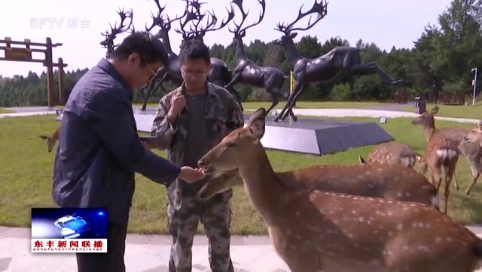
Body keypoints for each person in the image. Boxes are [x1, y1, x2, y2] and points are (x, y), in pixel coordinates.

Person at [52, 31, 206, 272]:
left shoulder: (96, 79)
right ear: (134, 59)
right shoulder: (107, 91)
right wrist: (179, 172)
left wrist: (133, 142)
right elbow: (131, 154)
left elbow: (110, 141)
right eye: (151, 73)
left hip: (84, 196)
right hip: (93, 202)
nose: (149, 81)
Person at [150, 39, 244, 272]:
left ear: (209, 68)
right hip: (182, 192)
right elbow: (158, 142)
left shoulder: (225, 99)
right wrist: (172, 114)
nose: (193, 77)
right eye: (188, 71)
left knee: (221, 253)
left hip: (217, 189)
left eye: (200, 72)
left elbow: (240, 140)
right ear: (180, 66)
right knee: (181, 255)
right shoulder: (168, 102)